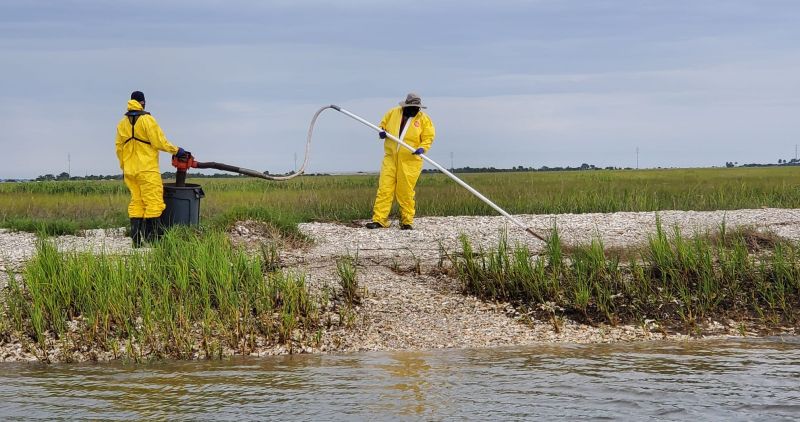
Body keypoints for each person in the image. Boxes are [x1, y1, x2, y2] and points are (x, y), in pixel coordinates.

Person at [115, 91, 188, 247]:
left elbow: (119, 148)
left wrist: (125, 166)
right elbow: (159, 142)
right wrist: (177, 150)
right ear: (143, 103)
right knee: (153, 202)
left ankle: (136, 241)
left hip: (130, 171)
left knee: (136, 202)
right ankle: (152, 240)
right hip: (147, 170)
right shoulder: (147, 120)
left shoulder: (122, 124)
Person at [366, 92, 436, 230]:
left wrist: (422, 148)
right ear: (406, 106)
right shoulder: (393, 113)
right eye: (412, 107)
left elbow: (428, 137)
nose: (415, 110)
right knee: (385, 189)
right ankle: (379, 220)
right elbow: (382, 125)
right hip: (390, 158)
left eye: (417, 108)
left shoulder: (424, 119)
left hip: (410, 161)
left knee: (405, 192)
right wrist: (381, 131)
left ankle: (406, 221)